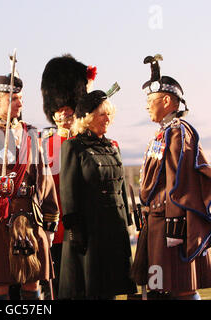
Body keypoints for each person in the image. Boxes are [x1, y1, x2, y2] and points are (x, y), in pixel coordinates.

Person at [131, 55, 211, 300]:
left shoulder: (179, 132)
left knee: (182, 287)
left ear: (167, 100)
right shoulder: (164, 134)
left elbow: (180, 180)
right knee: (161, 288)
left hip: (172, 226)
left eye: (151, 100)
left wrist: (176, 223)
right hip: (158, 224)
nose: (147, 106)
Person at [0, 74, 60, 300]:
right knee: (1, 284)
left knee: (32, 281)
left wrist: (49, 218)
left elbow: (44, 179)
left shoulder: (31, 133)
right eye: (14, 98)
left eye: (21, 98)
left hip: (29, 216)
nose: (21, 103)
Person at [59, 89, 137, 300]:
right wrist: (75, 231)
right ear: (88, 117)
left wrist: (127, 223)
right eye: (102, 114)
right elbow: (68, 192)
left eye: (109, 113)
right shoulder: (73, 147)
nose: (108, 118)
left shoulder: (113, 147)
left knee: (111, 291)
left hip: (114, 230)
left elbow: (120, 188)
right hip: (88, 234)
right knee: (91, 292)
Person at [40, 54, 96, 299]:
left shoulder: (90, 142)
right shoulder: (42, 145)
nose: (63, 114)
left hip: (87, 230)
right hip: (56, 233)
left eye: (68, 108)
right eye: (58, 110)